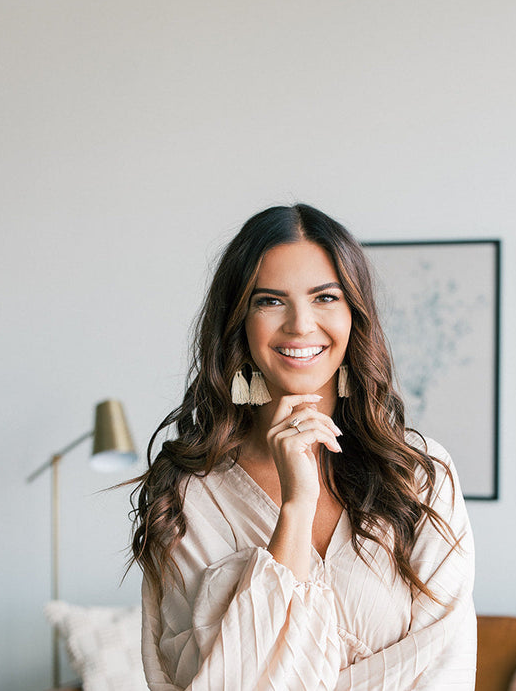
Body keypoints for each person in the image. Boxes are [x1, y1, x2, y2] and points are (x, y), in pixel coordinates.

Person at [130, 204, 476, 690]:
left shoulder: (421, 475)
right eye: (269, 301)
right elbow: (220, 682)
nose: (299, 324)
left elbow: (446, 667)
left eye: (325, 297)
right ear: (239, 321)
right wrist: (296, 507)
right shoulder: (189, 496)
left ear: (355, 314)